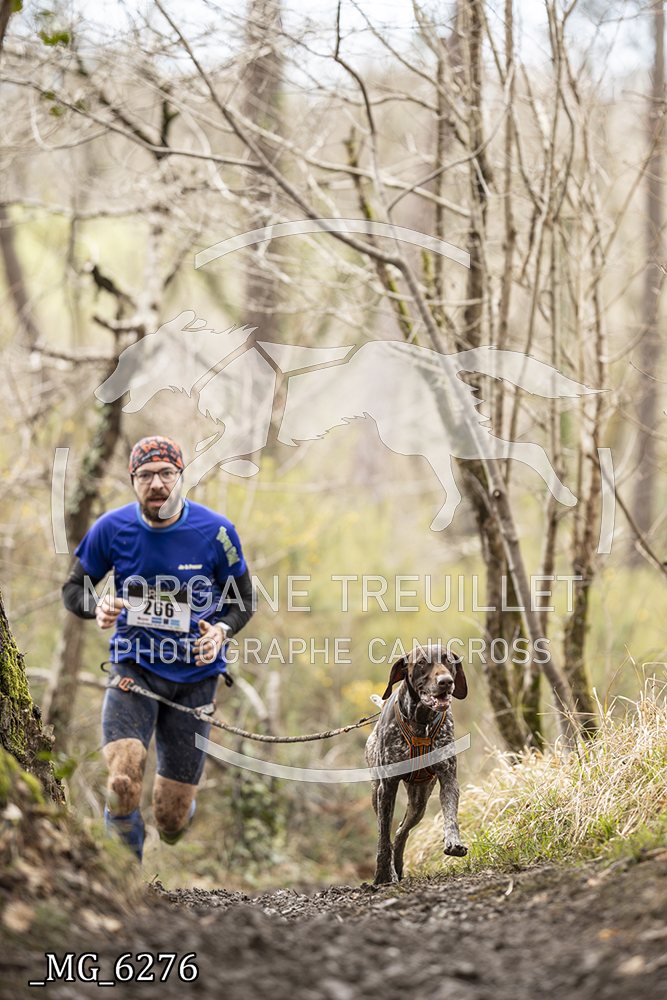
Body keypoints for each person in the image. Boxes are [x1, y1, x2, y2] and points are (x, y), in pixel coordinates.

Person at [61, 435, 254, 862]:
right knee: (122, 782)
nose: (157, 483)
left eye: (167, 473)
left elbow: (244, 599)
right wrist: (97, 606)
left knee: (171, 820)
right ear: (133, 480)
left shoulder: (216, 531)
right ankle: (125, 877)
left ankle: (178, 814)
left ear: (181, 477)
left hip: (195, 680)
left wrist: (222, 630)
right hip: (134, 670)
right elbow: (73, 589)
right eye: (146, 475)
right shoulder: (111, 528)